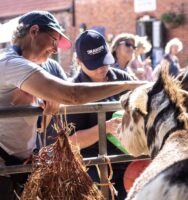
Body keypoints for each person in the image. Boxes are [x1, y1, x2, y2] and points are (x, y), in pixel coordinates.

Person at [0, 11, 144, 199]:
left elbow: (47, 122)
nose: (54, 49)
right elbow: (73, 95)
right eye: (53, 41)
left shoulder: (48, 67)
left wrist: (54, 98)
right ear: (34, 31)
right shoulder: (10, 63)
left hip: (24, 162)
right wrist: (130, 85)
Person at [67, 30, 133, 199]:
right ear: (78, 61)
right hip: (93, 167)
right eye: (94, 64)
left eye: (104, 62)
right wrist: (104, 128)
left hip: (129, 161)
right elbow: (71, 142)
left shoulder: (123, 79)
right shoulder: (72, 91)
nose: (101, 69)